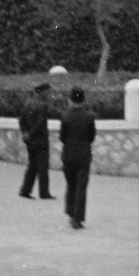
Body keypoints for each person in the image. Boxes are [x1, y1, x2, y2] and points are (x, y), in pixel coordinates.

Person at [59, 84, 96, 229]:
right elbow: (91, 137)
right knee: (81, 186)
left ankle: (70, 211)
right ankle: (77, 217)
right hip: (83, 155)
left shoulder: (65, 116)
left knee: (71, 184)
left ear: (70, 100)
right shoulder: (89, 117)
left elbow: (62, 137)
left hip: (68, 154)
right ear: (84, 101)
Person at [17, 81, 52, 200]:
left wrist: (25, 134)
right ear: (41, 92)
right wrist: (31, 135)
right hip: (40, 140)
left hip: (30, 141)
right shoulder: (43, 105)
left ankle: (25, 190)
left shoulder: (28, 103)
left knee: (32, 165)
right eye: (47, 91)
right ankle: (44, 192)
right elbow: (40, 124)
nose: (48, 94)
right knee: (42, 167)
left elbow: (21, 121)